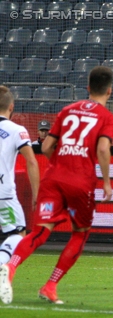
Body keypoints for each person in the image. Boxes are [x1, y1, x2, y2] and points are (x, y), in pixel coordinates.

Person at [0, 66, 113, 305]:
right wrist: (106, 182)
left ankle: (9, 267)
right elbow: (103, 149)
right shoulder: (108, 118)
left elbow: (45, 148)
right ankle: (50, 286)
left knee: (41, 230)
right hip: (81, 181)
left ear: (87, 88)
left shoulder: (67, 110)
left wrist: (61, 164)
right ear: (109, 90)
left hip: (53, 178)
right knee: (80, 234)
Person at [0, 86, 40, 266]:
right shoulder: (17, 130)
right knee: (18, 235)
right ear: (11, 106)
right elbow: (31, 161)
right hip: (3, 193)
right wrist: (36, 193)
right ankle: (2, 266)